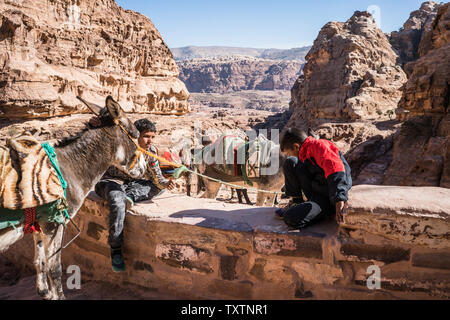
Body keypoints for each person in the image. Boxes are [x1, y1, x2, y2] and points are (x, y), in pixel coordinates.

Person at [94, 118, 175, 272]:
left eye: (152, 137)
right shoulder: (118, 146)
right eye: (146, 136)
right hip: (110, 183)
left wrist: (165, 183)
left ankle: (130, 197)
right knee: (117, 200)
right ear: (135, 134)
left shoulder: (150, 152)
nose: (149, 140)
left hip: (131, 185)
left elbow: (156, 178)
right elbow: (100, 140)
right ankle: (116, 249)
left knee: (158, 188)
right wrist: (95, 126)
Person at [276, 128, 352, 229]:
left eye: (290, 152)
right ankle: (296, 202)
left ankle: (323, 213)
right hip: (318, 189)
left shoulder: (319, 146)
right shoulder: (305, 152)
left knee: (290, 218)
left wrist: (339, 200)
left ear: (296, 147)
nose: (290, 155)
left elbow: (335, 170)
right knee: (291, 162)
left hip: (329, 196)